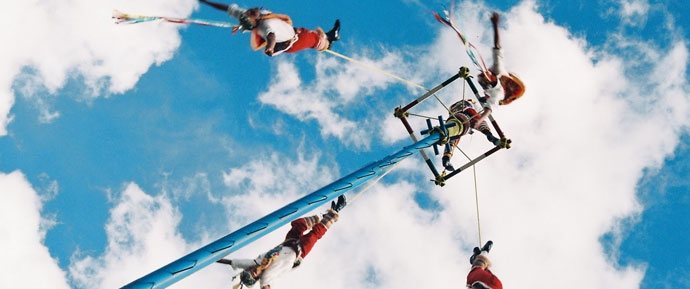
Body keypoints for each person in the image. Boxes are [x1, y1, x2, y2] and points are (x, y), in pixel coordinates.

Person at [216, 195, 347, 289]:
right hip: (298, 253)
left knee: (297, 224)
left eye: (250, 269)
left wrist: (215, 258)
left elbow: (233, 262)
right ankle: (336, 211)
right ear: (257, 278)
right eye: (254, 273)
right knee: (315, 234)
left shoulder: (255, 263)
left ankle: (322, 217)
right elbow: (265, 287)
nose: (253, 269)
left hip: (289, 243)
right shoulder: (266, 277)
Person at [199, 0, 340, 56]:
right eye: (253, 12)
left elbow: (227, 8)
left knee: (307, 32)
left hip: (291, 31)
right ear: (253, 19)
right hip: (292, 42)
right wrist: (270, 48)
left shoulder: (250, 15)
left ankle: (329, 37)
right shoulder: (267, 25)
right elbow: (271, 36)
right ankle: (330, 39)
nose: (254, 9)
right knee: (314, 38)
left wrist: (205, 2)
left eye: (253, 10)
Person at [474, 12, 525, 129]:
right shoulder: (499, 69)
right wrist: (495, 25)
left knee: (489, 97)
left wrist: (480, 120)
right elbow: (497, 46)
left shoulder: (498, 93)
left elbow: (489, 108)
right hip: (494, 82)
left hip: (493, 91)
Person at [441, 99, 501, 171]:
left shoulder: (454, 105)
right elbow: (481, 112)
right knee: (479, 120)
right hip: (466, 110)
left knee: (453, 136)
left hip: (454, 116)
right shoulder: (471, 103)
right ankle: (489, 134)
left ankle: (446, 157)